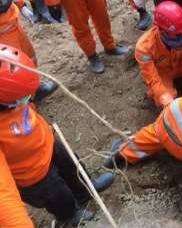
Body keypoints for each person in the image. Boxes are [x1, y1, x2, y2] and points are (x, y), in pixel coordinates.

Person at [0, 44, 115, 227]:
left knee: (73, 165)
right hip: (31, 172)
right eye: (21, 98)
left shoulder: (10, 92)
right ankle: (68, 216)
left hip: (47, 142)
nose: (27, 100)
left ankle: (85, 190)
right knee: (57, 195)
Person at [32, 0, 129, 74]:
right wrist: (52, 1)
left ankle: (110, 45)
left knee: (102, 15)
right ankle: (92, 55)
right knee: (80, 25)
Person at [0, 0, 56, 100]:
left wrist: (21, 5)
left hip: (12, 22)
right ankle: (24, 105)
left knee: (29, 57)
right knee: (12, 71)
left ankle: (33, 91)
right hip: (2, 34)